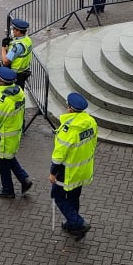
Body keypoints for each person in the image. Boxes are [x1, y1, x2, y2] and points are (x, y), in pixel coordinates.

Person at [50, 92, 98, 241]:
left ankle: (78, 222)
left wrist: (52, 173)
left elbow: (59, 155)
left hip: (67, 171)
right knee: (74, 197)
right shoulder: (90, 122)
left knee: (57, 196)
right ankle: (72, 224)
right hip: (83, 169)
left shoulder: (68, 129)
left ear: (70, 109)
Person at [0, 67, 33, 198]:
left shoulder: (2, 100)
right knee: (9, 158)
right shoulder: (19, 92)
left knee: (2, 162)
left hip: (3, 137)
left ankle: (7, 189)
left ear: (1, 82)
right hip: (14, 134)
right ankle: (24, 179)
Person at [0, 18, 33, 88]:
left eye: (14, 29)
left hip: (16, 74)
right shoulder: (27, 39)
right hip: (24, 71)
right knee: (20, 91)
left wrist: (3, 47)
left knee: (14, 93)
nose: (12, 31)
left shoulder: (17, 46)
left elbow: (5, 61)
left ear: (18, 32)